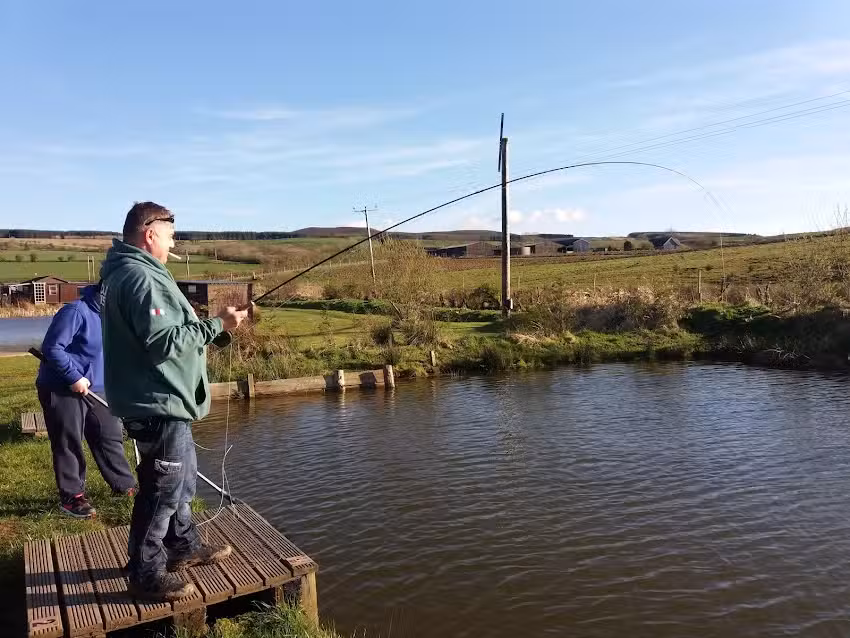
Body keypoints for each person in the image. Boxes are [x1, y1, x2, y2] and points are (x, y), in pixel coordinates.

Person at [100, 202, 249, 601]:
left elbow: (171, 329)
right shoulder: (140, 277)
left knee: (180, 483)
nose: (173, 243)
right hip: (156, 400)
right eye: (169, 235)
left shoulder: (135, 272)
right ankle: (145, 571)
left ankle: (182, 546)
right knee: (162, 488)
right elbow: (164, 343)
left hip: (162, 399)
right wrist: (218, 323)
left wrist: (216, 328)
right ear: (150, 233)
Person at [36, 283, 138, 519]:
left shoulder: (115, 316)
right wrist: (74, 377)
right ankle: (73, 497)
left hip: (99, 388)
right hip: (62, 387)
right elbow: (52, 348)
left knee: (109, 435)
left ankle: (124, 486)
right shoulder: (76, 311)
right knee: (69, 440)